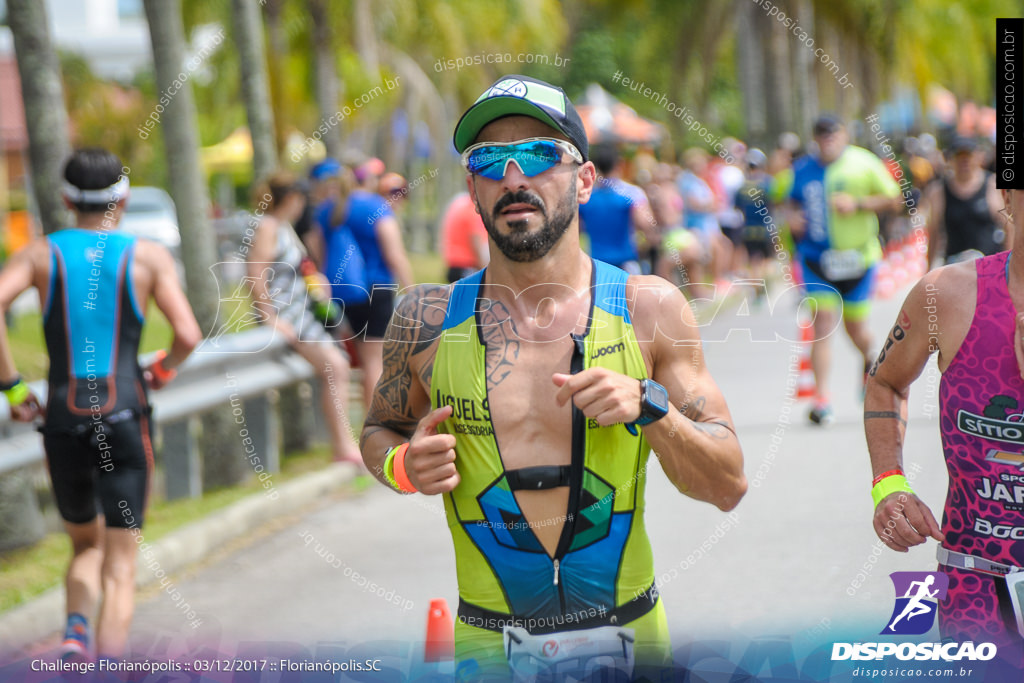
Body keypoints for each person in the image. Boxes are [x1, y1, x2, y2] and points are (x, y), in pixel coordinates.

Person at [359, 74, 747, 681]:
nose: (514, 178)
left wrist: (651, 406)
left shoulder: (650, 309)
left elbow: (727, 483)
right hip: (488, 649)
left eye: (540, 154)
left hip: (631, 638)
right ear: (473, 188)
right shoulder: (425, 318)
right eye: (490, 161)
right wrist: (402, 467)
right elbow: (379, 430)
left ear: (585, 179)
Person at [0, 149, 201, 661]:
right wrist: (162, 370)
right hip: (126, 415)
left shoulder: (40, 255)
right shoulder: (149, 256)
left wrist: (14, 389)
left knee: (84, 545)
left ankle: (74, 634)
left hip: (63, 417)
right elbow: (187, 334)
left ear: (67, 200)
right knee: (121, 563)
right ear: (124, 198)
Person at [864, 186, 1024, 672]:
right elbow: (885, 384)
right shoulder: (946, 294)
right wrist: (888, 484)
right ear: (1008, 195)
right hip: (976, 581)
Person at [788, 115, 902, 425]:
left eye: (832, 133)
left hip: (858, 261)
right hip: (816, 260)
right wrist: (792, 219)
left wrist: (859, 203)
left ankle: (869, 357)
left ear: (844, 133)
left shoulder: (863, 162)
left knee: (855, 328)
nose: (827, 139)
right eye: (820, 134)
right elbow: (790, 204)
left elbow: (896, 199)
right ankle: (821, 399)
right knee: (822, 323)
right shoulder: (802, 169)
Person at [247, 171, 362, 465]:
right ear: (292, 198)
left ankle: (343, 442)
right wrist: (269, 317)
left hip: (302, 311)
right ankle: (342, 445)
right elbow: (256, 273)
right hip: (288, 315)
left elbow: (300, 267)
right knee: (335, 366)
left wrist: (317, 281)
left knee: (338, 365)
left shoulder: (284, 227)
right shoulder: (268, 227)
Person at [340, 157, 414, 409]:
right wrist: (412, 290)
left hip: (347, 292)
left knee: (362, 357)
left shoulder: (335, 207)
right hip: (377, 288)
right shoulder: (376, 207)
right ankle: (376, 421)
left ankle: (367, 419)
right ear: (369, 179)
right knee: (374, 360)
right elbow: (394, 253)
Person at [925, 137, 1006, 268]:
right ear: (950, 160)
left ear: (978, 157)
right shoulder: (938, 191)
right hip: (956, 267)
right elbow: (934, 234)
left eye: (968, 156)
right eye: (959, 156)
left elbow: (1009, 226)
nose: (964, 161)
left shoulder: (993, 185)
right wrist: (929, 269)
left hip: (991, 265)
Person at [578, 143, 657, 275]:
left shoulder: (586, 197)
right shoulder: (631, 194)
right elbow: (645, 224)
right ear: (618, 164)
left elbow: (576, 230)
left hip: (597, 265)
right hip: (625, 263)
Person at [440, 192, 489, 283]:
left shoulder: (459, 205)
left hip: (453, 266)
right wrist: (487, 273)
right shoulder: (473, 210)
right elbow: (475, 241)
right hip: (467, 267)